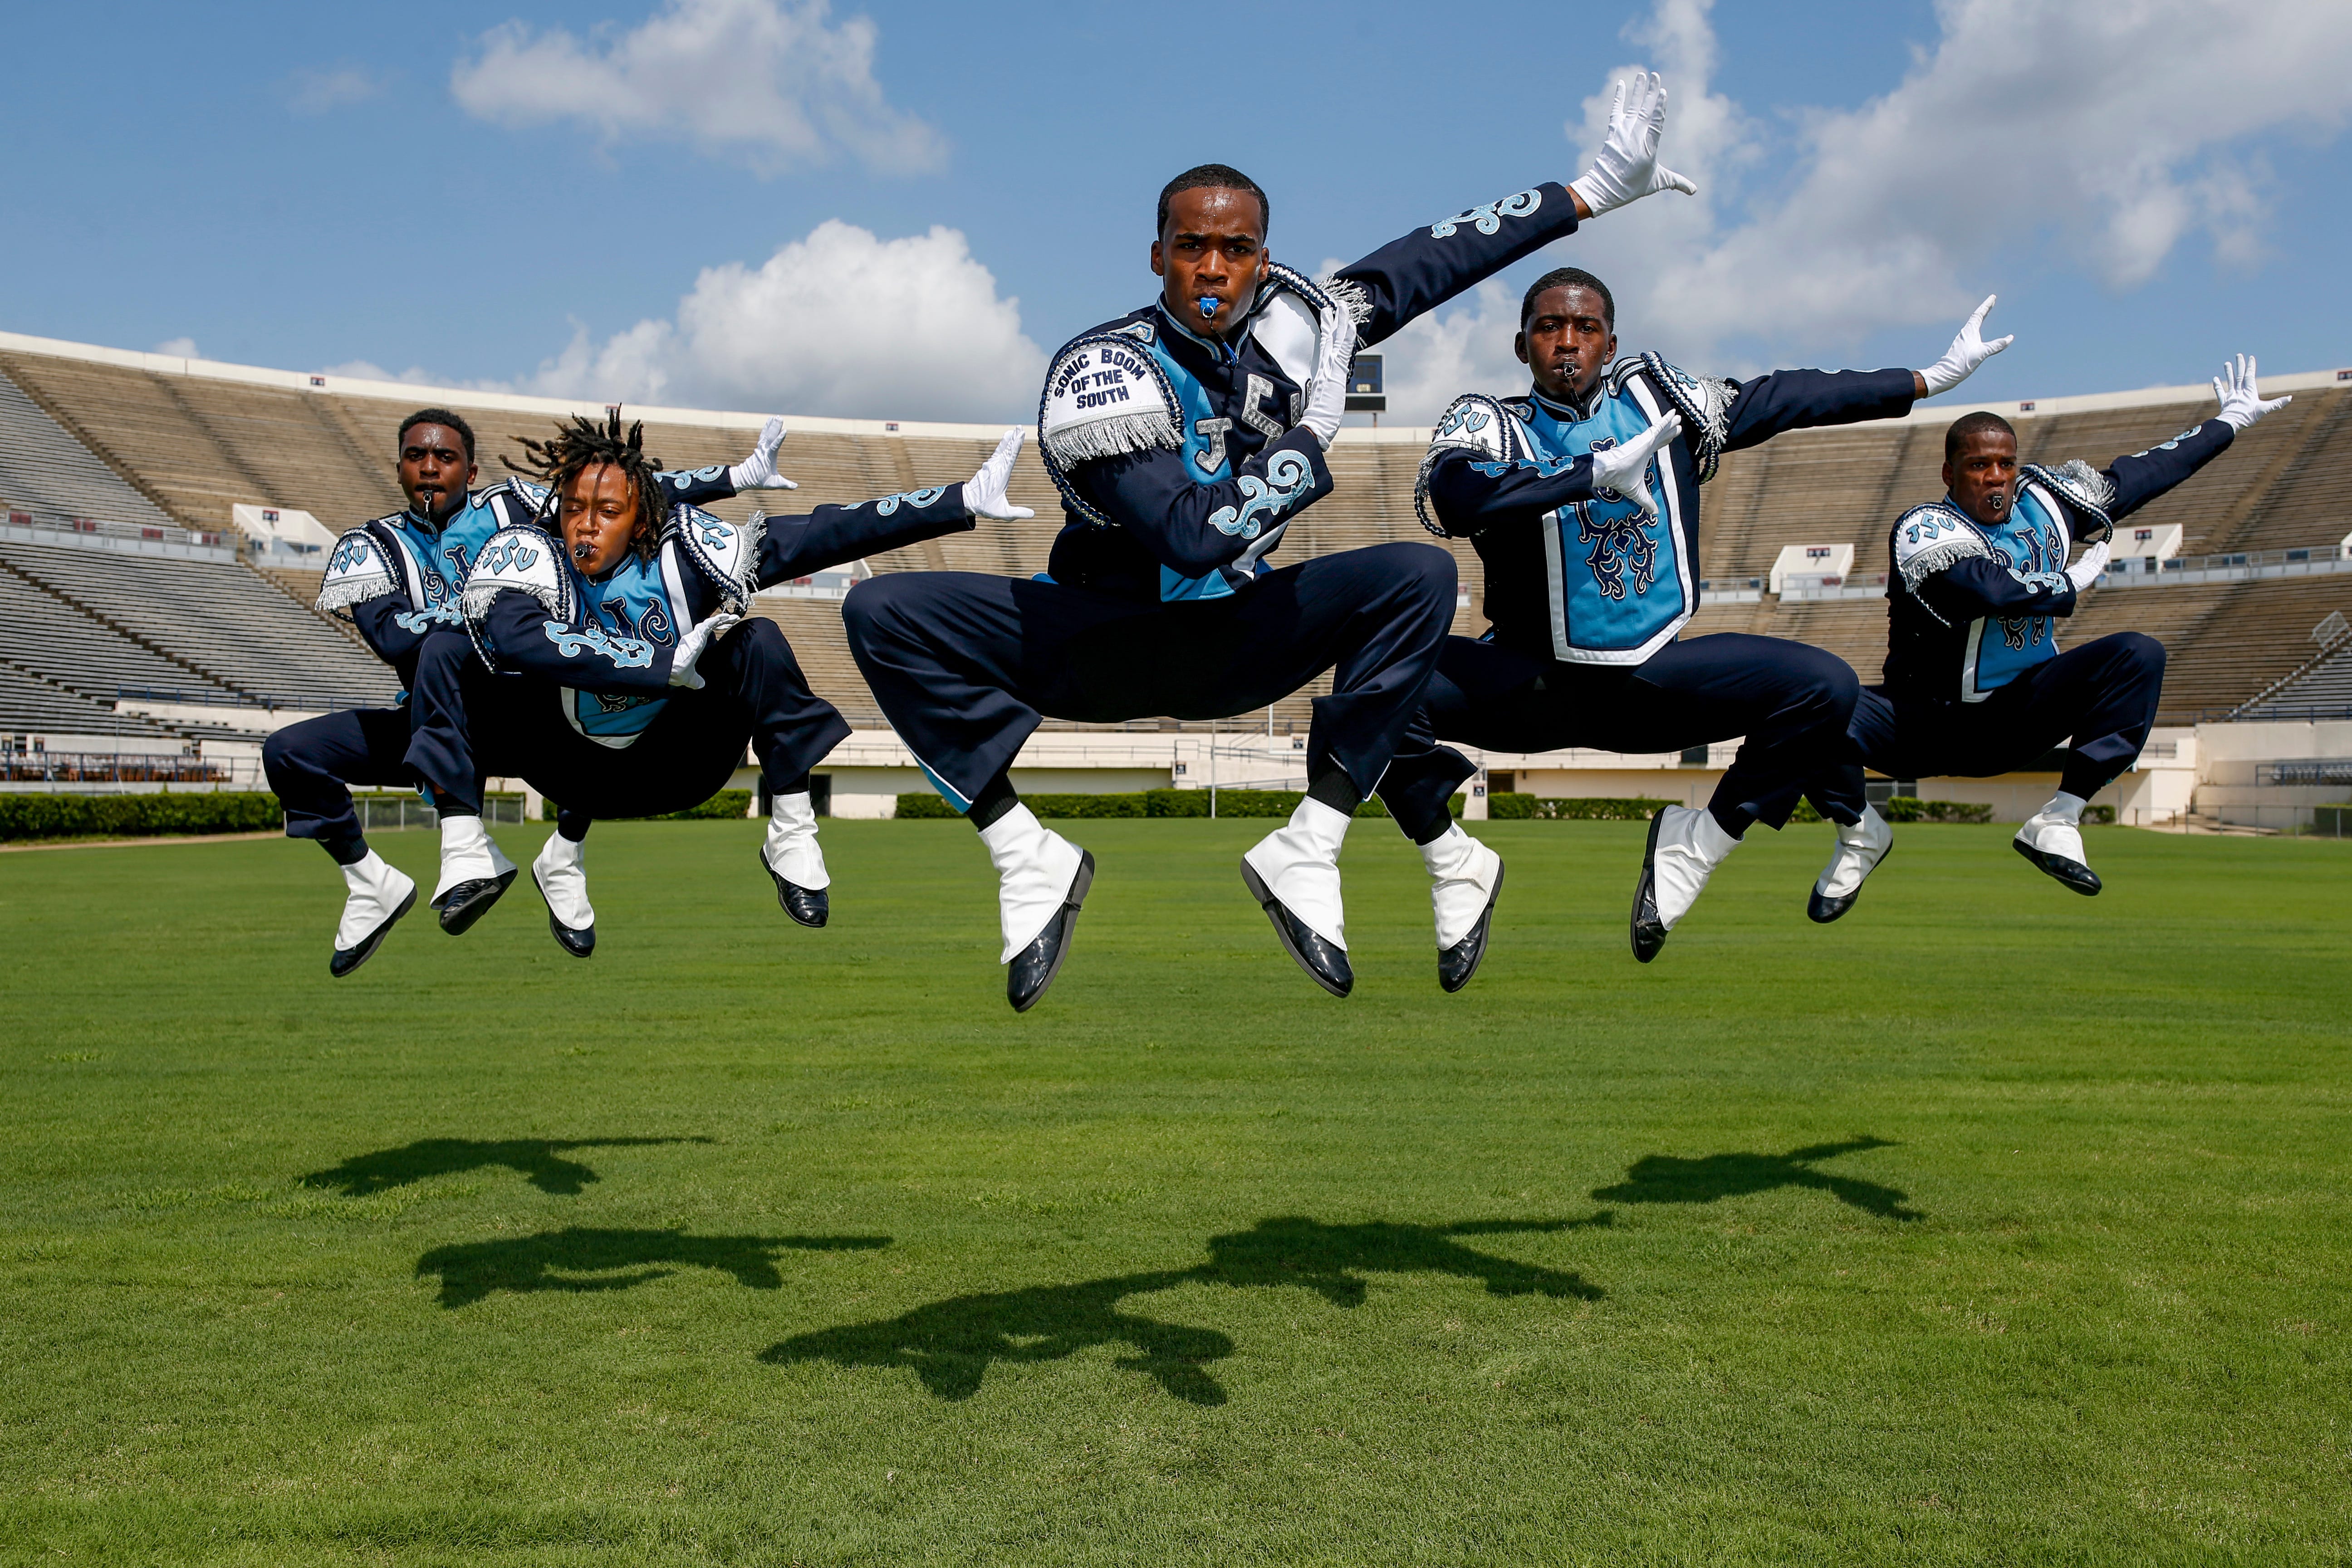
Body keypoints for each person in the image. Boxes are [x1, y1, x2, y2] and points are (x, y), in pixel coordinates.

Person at [843, 76, 1705, 1010]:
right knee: (883, 610)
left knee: (1414, 574)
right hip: (1106, 642)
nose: (1213, 267)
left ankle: (1313, 841)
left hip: (1242, 641)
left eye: (1236, 248)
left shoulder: (1302, 324)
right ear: (1157, 257)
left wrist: (1586, 193)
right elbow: (1186, 536)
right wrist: (1311, 433)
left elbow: (1427, 262)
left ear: (1262, 258)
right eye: (1192, 247)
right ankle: (1026, 856)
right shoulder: (1103, 370)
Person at [1374, 274, 2016, 973]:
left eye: (1585, 328)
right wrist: (1584, 476)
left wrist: (1920, 381)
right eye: (1549, 327)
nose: (1567, 342)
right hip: (1528, 683)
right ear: (1522, 344)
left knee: (1825, 685)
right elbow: (1457, 494)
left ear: (1610, 343)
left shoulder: (1661, 403)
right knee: (1370, 682)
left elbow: (1780, 399)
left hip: (1651, 681)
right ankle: (1454, 861)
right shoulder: (1492, 421)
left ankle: (1700, 843)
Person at [400, 411, 1032, 956]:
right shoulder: (529, 552)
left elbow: (818, 534)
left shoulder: (689, 553)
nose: (585, 525)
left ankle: (790, 832)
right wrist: (658, 663)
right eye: (574, 509)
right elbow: (518, 637)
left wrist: (960, 501)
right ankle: (466, 847)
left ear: (642, 520)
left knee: (760, 641)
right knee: (448, 647)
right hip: (566, 765)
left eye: (607, 511)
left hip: (679, 762)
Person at [264, 411, 800, 975]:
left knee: (595, 673)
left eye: (444, 457)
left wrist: (736, 477)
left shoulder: (512, 507)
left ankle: (563, 857)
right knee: (290, 753)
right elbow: (392, 638)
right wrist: (493, 612)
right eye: (415, 457)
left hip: (535, 714)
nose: (428, 468)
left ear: (470, 472)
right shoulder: (369, 545)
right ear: (398, 467)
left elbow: (622, 491)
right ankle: (371, 883)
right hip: (445, 718)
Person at [1813, 356, 2289, 910]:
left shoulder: (2047, 504)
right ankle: (1858, 832)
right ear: (1949, 474)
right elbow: (1987, 591)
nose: (1996, 477)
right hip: (1921, 719)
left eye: (2005, 465)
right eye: (1978, 466)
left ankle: (2060, 819)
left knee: (2138, 654)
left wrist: (2226, 424)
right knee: (1804, 700)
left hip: (2019, 714)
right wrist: (2063, 585)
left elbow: (2141, 475)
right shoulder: (1925, 527)